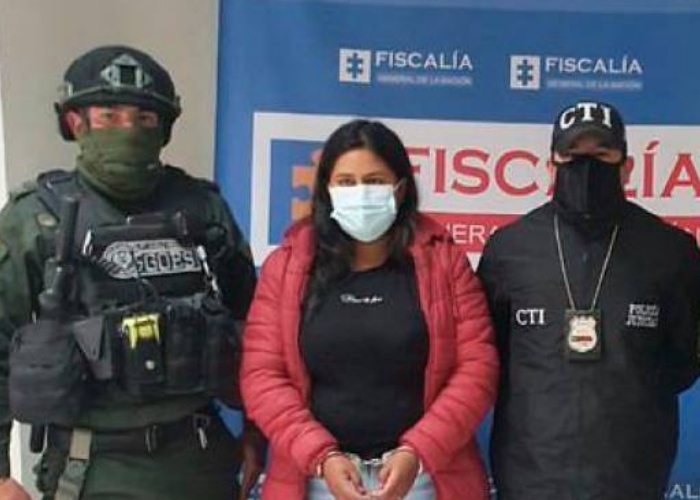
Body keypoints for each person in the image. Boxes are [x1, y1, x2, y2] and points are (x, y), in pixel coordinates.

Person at [0, 45, 264, 500]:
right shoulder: (34, 220)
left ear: (163, 129)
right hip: (91, 469)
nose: (128, 129)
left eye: (144, 118)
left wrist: (257, 433)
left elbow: (260, 332)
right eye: (109, 116)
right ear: (76, 123)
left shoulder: (203, 209)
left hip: (200, 459)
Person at [241, 119, 498, 500]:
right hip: (315, 480)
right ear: (327, 190)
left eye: (375, 181)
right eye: (346, 182)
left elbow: (477, 367)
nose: (360, 193)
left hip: (425, 477)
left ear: (400, 188)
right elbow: (262, 375)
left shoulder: (444, 262)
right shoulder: (287, 266)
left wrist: (418, 451)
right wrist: (320, 456)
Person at [478, 100, 700, 499]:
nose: (586, 167)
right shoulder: (508, 249)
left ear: (626, 166)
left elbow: (683, 362)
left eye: (601, 154)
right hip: (530, 473)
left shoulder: (671, 251)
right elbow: (487, 357)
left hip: (631, 475)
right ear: (550, 166)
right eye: (572, 155)